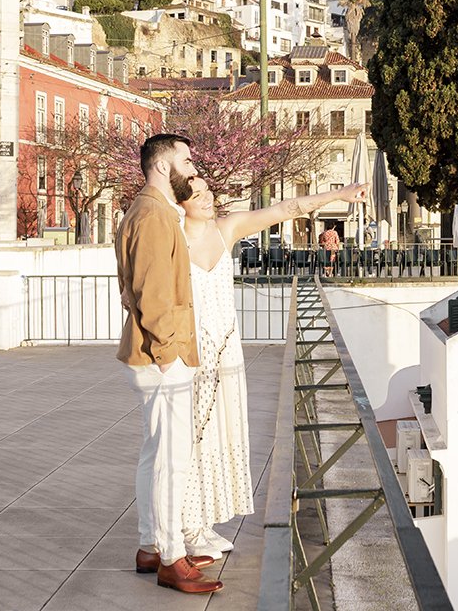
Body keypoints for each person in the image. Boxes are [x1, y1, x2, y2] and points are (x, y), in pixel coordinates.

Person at [178, 177, 368, 561]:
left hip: (227, 348)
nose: (207, 198)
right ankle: (185, 526)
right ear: (180, 202)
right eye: (196, 194)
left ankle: (204, 522)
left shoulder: (225, 229)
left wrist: (340, 194)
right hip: (190, 352)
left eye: (207, 191)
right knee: (190, 438)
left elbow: (285, 210)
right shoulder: (172, 237)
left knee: (221, 433)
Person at [114, 133, 221, 596]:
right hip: (163, 357)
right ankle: (171, 556)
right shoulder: (155, 216)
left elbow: (130, 287)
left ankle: (150, 546)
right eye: (186, 160)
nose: (192, 167)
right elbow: (153, 296)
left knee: (155, 451)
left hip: (152, 353)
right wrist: (170, 355)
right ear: (162, 166)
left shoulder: (143, 211)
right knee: (171, 459)